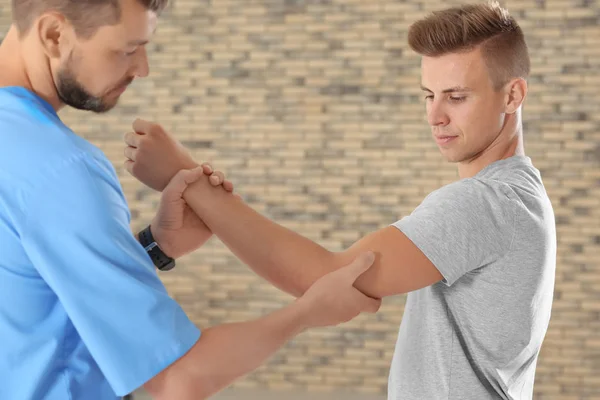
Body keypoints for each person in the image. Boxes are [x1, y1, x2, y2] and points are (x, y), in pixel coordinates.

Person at [124, 2, 557, 399]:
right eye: (429, 95)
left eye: (457, 97)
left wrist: (187, 179)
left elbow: (326, 278)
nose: (434, 116)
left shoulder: (485, 203)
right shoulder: (520, 193)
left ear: (513, 95)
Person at [0, 1, 382, 399]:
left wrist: (153, 246)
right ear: (54, 36)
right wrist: (307, 312)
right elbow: (180, 379)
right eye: (128, 49)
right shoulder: (62, 171)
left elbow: (26, 289)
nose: (142, 68)